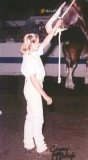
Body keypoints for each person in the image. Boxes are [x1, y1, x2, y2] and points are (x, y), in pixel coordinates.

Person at [20, 19, 63, 156]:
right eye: (36, 42)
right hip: (34, 88)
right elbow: (33, 80)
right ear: (31, 44)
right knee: (38, 118)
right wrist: (45, 96)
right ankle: (41, 147)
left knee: (30, 117)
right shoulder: (29, 58)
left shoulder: (33, 52)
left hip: (31, 88)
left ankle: (28, 144)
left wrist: (55, 28)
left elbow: (45, 43)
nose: (39, 43)